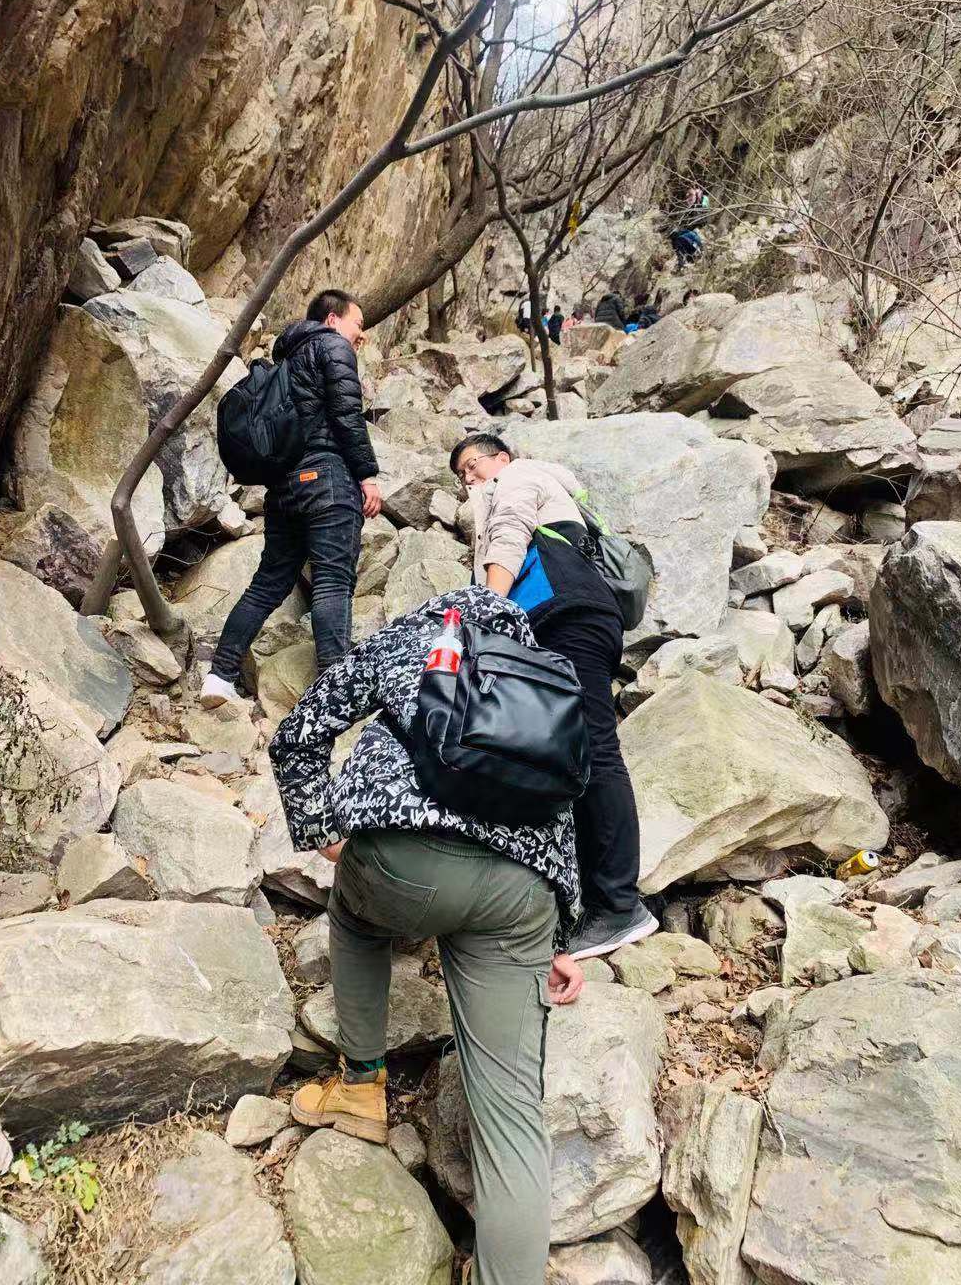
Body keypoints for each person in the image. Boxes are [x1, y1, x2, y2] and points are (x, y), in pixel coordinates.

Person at [269, 587, 584, 1285]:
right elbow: (567, 811)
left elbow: (297, 735)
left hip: (404, 867)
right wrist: (561, 936)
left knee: (353, 911)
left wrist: (325, 834)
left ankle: (360, 1087)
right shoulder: (544, 678)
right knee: (511, 1121)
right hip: (522, 898)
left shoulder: (412, 640)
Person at [450, 433, 658, 961]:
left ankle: (619, 906)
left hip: (567, 616)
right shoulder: (541, 489)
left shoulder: (520, 477)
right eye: (461, 476)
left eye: (472, 466)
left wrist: (484, 610)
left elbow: (509, 533)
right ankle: (588, 899)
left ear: (503, 458)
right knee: (563, 756)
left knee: (593, 748)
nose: (468, 479)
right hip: (561, 620)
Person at [200, 290, 382, 708]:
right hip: (328, 482)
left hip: (284, 489)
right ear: (333, 320)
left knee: (267, 586)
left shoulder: (286, 360)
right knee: (333, 581)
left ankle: (219, 676)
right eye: (359, 324)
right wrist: (368, 475)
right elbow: (347, 415)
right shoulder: (332, 345)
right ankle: (335, 691)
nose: (362, 336)